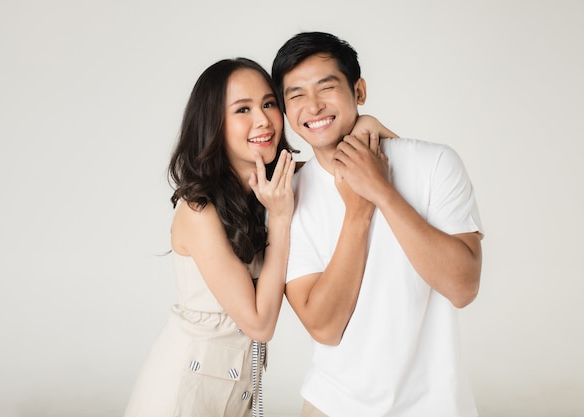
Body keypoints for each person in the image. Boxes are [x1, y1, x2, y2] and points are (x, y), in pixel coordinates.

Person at [123, 57, 393, 417]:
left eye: (269, 104)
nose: (263, 120)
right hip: (183, 393)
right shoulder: (198, 211)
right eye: (243, 109)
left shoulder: (276, 182)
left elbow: (341, 164)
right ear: (214, 123)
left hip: (237, 390)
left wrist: (368, 125)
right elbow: (259, 323)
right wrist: (280, 219)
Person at [271, 32, 484, 417]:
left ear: (360, 91)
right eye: (296, 95)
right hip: (330, 405)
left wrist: (383, 193)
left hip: (434, 405)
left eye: (326, 87)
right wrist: (359, 210)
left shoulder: (434, 164)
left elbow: (463, 287)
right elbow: (325, 327)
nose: (313, 105)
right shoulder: (290, 198)